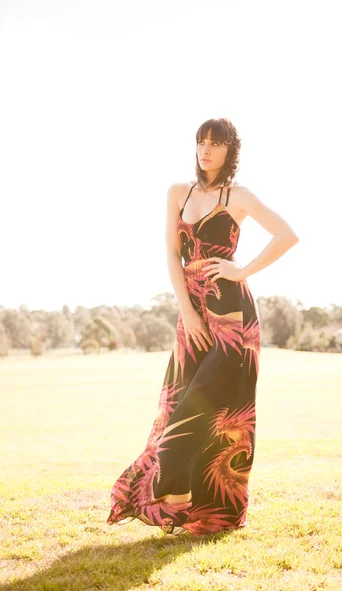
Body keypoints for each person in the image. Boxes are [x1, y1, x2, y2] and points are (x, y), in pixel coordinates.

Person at [106, 117, 299, 536]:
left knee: (211, 412)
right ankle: (189, 508)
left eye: (215, 144)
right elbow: (172, 256)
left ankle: (199, 505)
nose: (205, 151)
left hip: (233, 319)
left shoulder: (238, 196)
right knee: (180, 405)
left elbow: (287, 235)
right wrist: (188, 312)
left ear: (231, 150)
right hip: (191, 315)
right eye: (200, 143)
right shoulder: (178, 192)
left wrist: (241, 269)